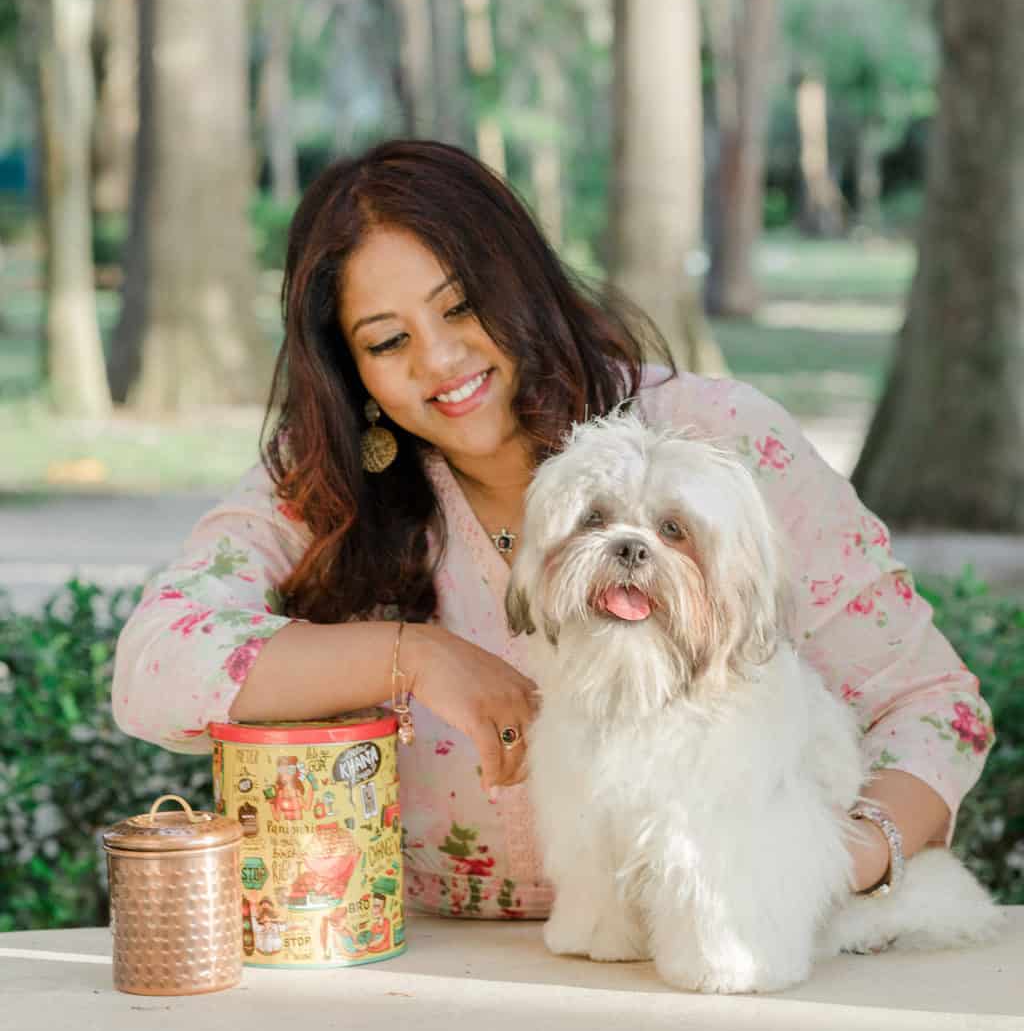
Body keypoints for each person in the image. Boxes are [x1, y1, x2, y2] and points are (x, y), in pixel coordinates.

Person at [112, 139, 994, 920]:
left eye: (461, 308)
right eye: (388, 343)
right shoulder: (327, 482)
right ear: (353, 371)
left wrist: (839, 864)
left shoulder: (721, 442)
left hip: (695, 979)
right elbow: (155, 668)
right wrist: (412, 655)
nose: (441, 363)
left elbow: (935, 710)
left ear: (520, 279)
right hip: (423, 982)